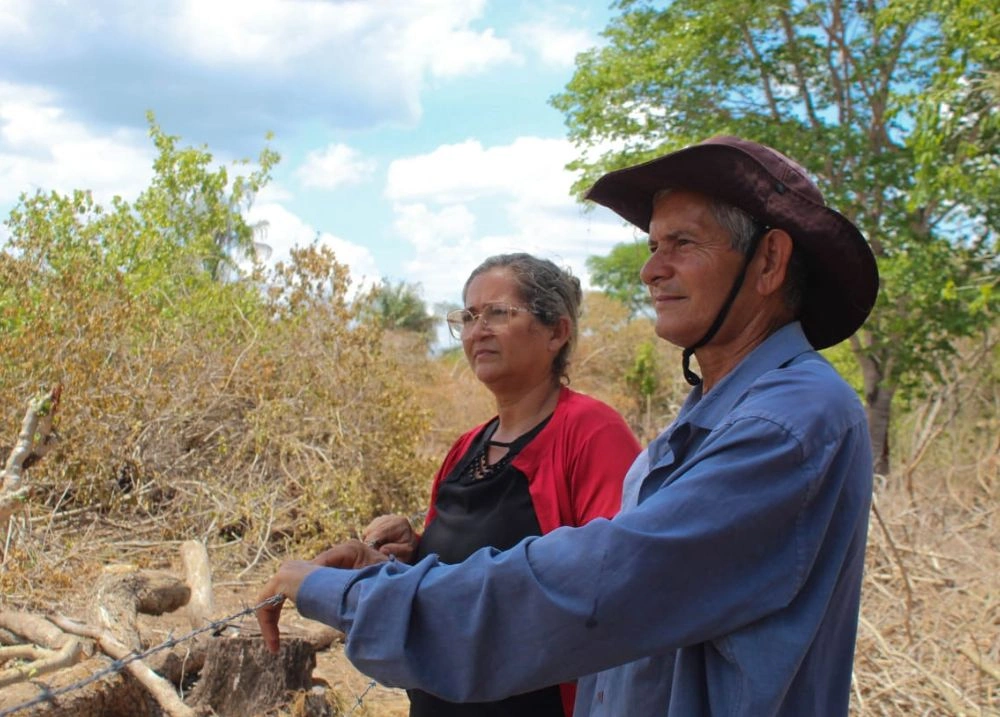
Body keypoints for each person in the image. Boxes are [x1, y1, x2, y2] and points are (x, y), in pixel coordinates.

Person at [256, 135, 879, 717]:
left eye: (682, 244)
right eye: (654, 246)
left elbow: (600, 585)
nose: (650, 271)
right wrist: (387, 568)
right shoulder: (717, 416)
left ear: (769, 261)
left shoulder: (789, 422)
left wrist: (357, 597)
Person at [338, 253, 642, 717]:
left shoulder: (590, 432)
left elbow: (616, 581)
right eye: (468, 316)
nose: (477, 330)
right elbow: (453, 576)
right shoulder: (466, 448)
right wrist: (410, 552)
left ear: (556, 332)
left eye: (498, 313)